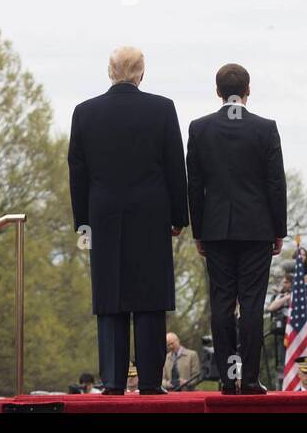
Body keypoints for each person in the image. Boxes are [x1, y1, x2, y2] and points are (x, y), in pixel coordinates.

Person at [68, 46, 188, 395]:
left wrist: (83, 222)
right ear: (142, 73)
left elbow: (78, 171)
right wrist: (179, 216)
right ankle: (151, 381)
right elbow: (174, 167)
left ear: (110, 71)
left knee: (110, 298)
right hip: (151, 215)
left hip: (104, 217)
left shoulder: (84, 112)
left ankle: (113, 381)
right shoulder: (162, 109)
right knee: (150, 299)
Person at [185, 63, 287, 395]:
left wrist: (198, 230)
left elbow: (195, 186)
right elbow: (275, 184)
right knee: (253, 305)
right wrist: (278, 229)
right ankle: (252, 378)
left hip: (216, 229)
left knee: (222, 304)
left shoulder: (199, 129)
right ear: (248, 90)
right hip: (257, 228)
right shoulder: (265, 129)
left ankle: (229, 379)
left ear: (217, 91)